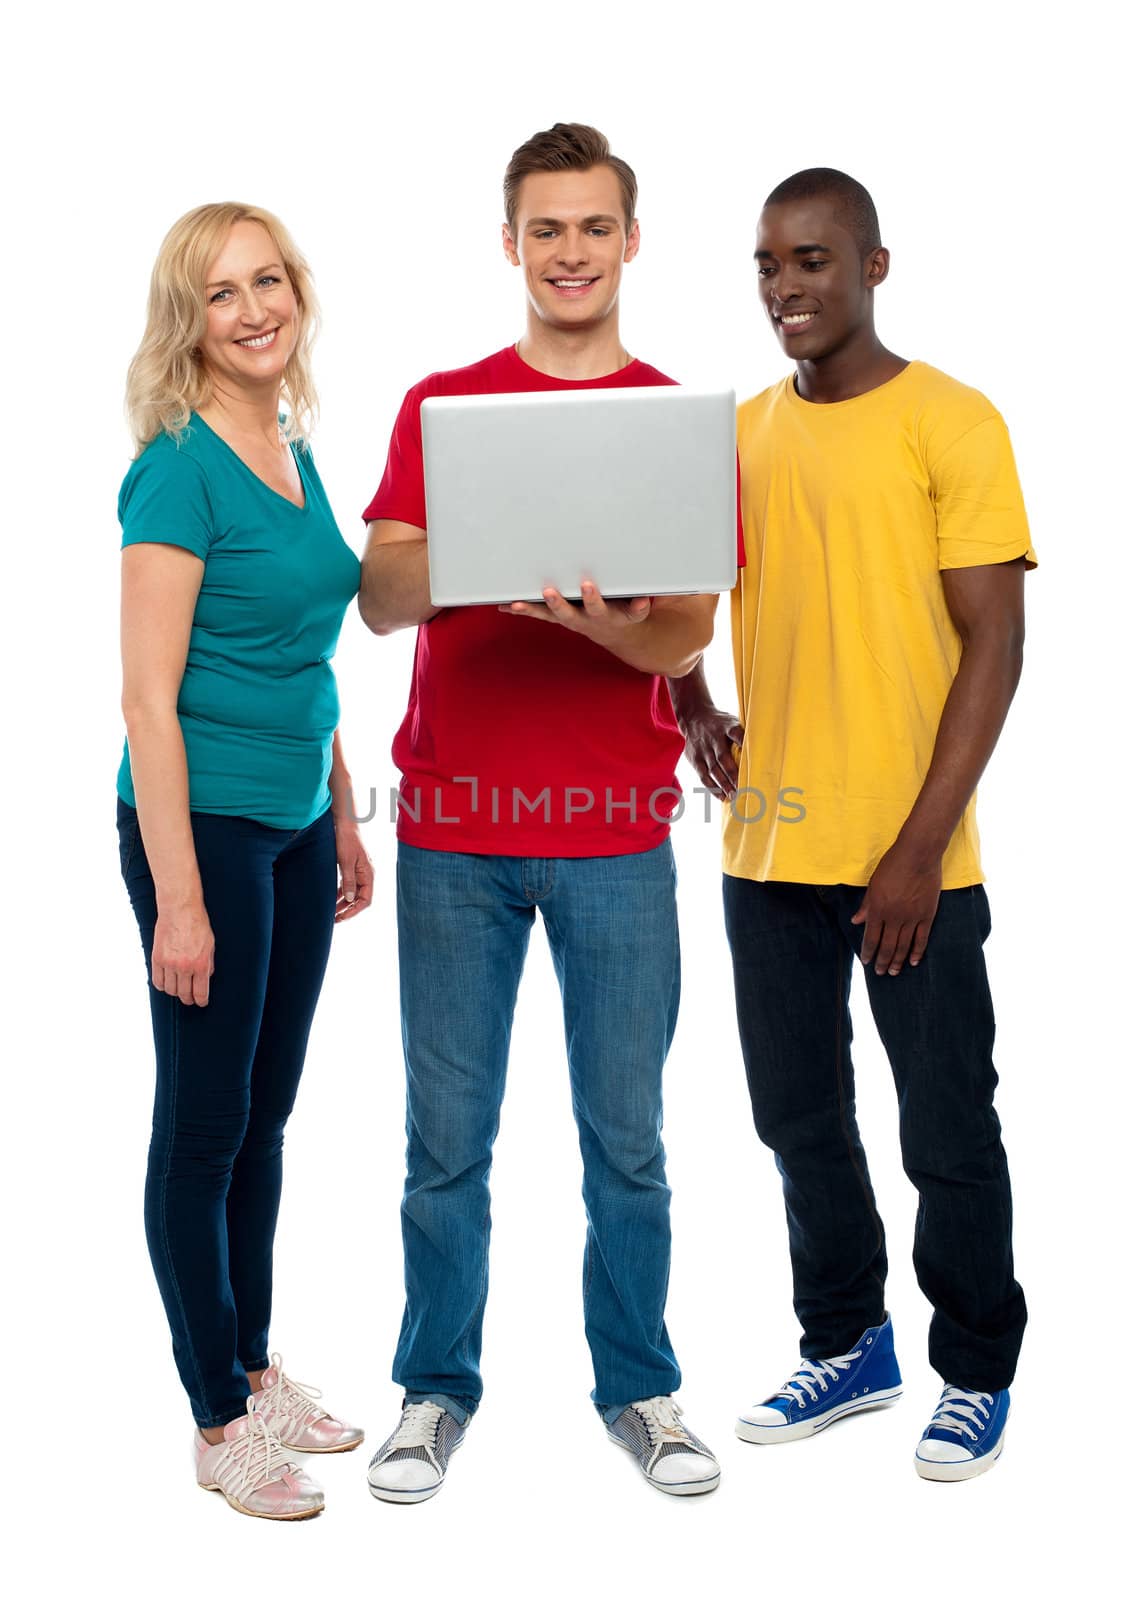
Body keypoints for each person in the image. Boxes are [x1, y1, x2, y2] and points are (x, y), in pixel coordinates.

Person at [358, 123, 732, 1502]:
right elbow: (386, 594)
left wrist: (601, 623)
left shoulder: (674, 415)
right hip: (454, 829)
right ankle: (433, 1390)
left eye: (593, 227)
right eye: (545, 229)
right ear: (510, 243)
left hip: (618, 841)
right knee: (444, 1143)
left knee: (625, 1142)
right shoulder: (441, 405)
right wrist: (494, 551)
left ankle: (640, 1389)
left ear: (630, 241)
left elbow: (685, 631)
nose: (570, 252)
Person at [672, 168, 1033, 1482]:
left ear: (875, 265)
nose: (787, 289)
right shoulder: (737, 436)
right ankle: (849, 1343)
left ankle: (977, 1367)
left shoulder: (953, 420)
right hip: (768, 852)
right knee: (798, 1122)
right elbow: (672, 604)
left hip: (913, 865)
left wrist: (920, 851)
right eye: (769, 265)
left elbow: (996, 643)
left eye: (814, 261)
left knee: (945, 1129)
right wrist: (694, 707)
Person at [118, 202, 371, 1519]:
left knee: (264, 1117)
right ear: (190, 321)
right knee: (204, 1127)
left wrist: (335, 810)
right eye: (223, 294)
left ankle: (255, 1364)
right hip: (201, 832)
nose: (255, 309)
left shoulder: (293, 446)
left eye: (269, 281)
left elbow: (304, 655)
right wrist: (178, 898)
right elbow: (150, 701)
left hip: (285, 824)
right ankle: (217, 1419)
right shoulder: (178, 466)